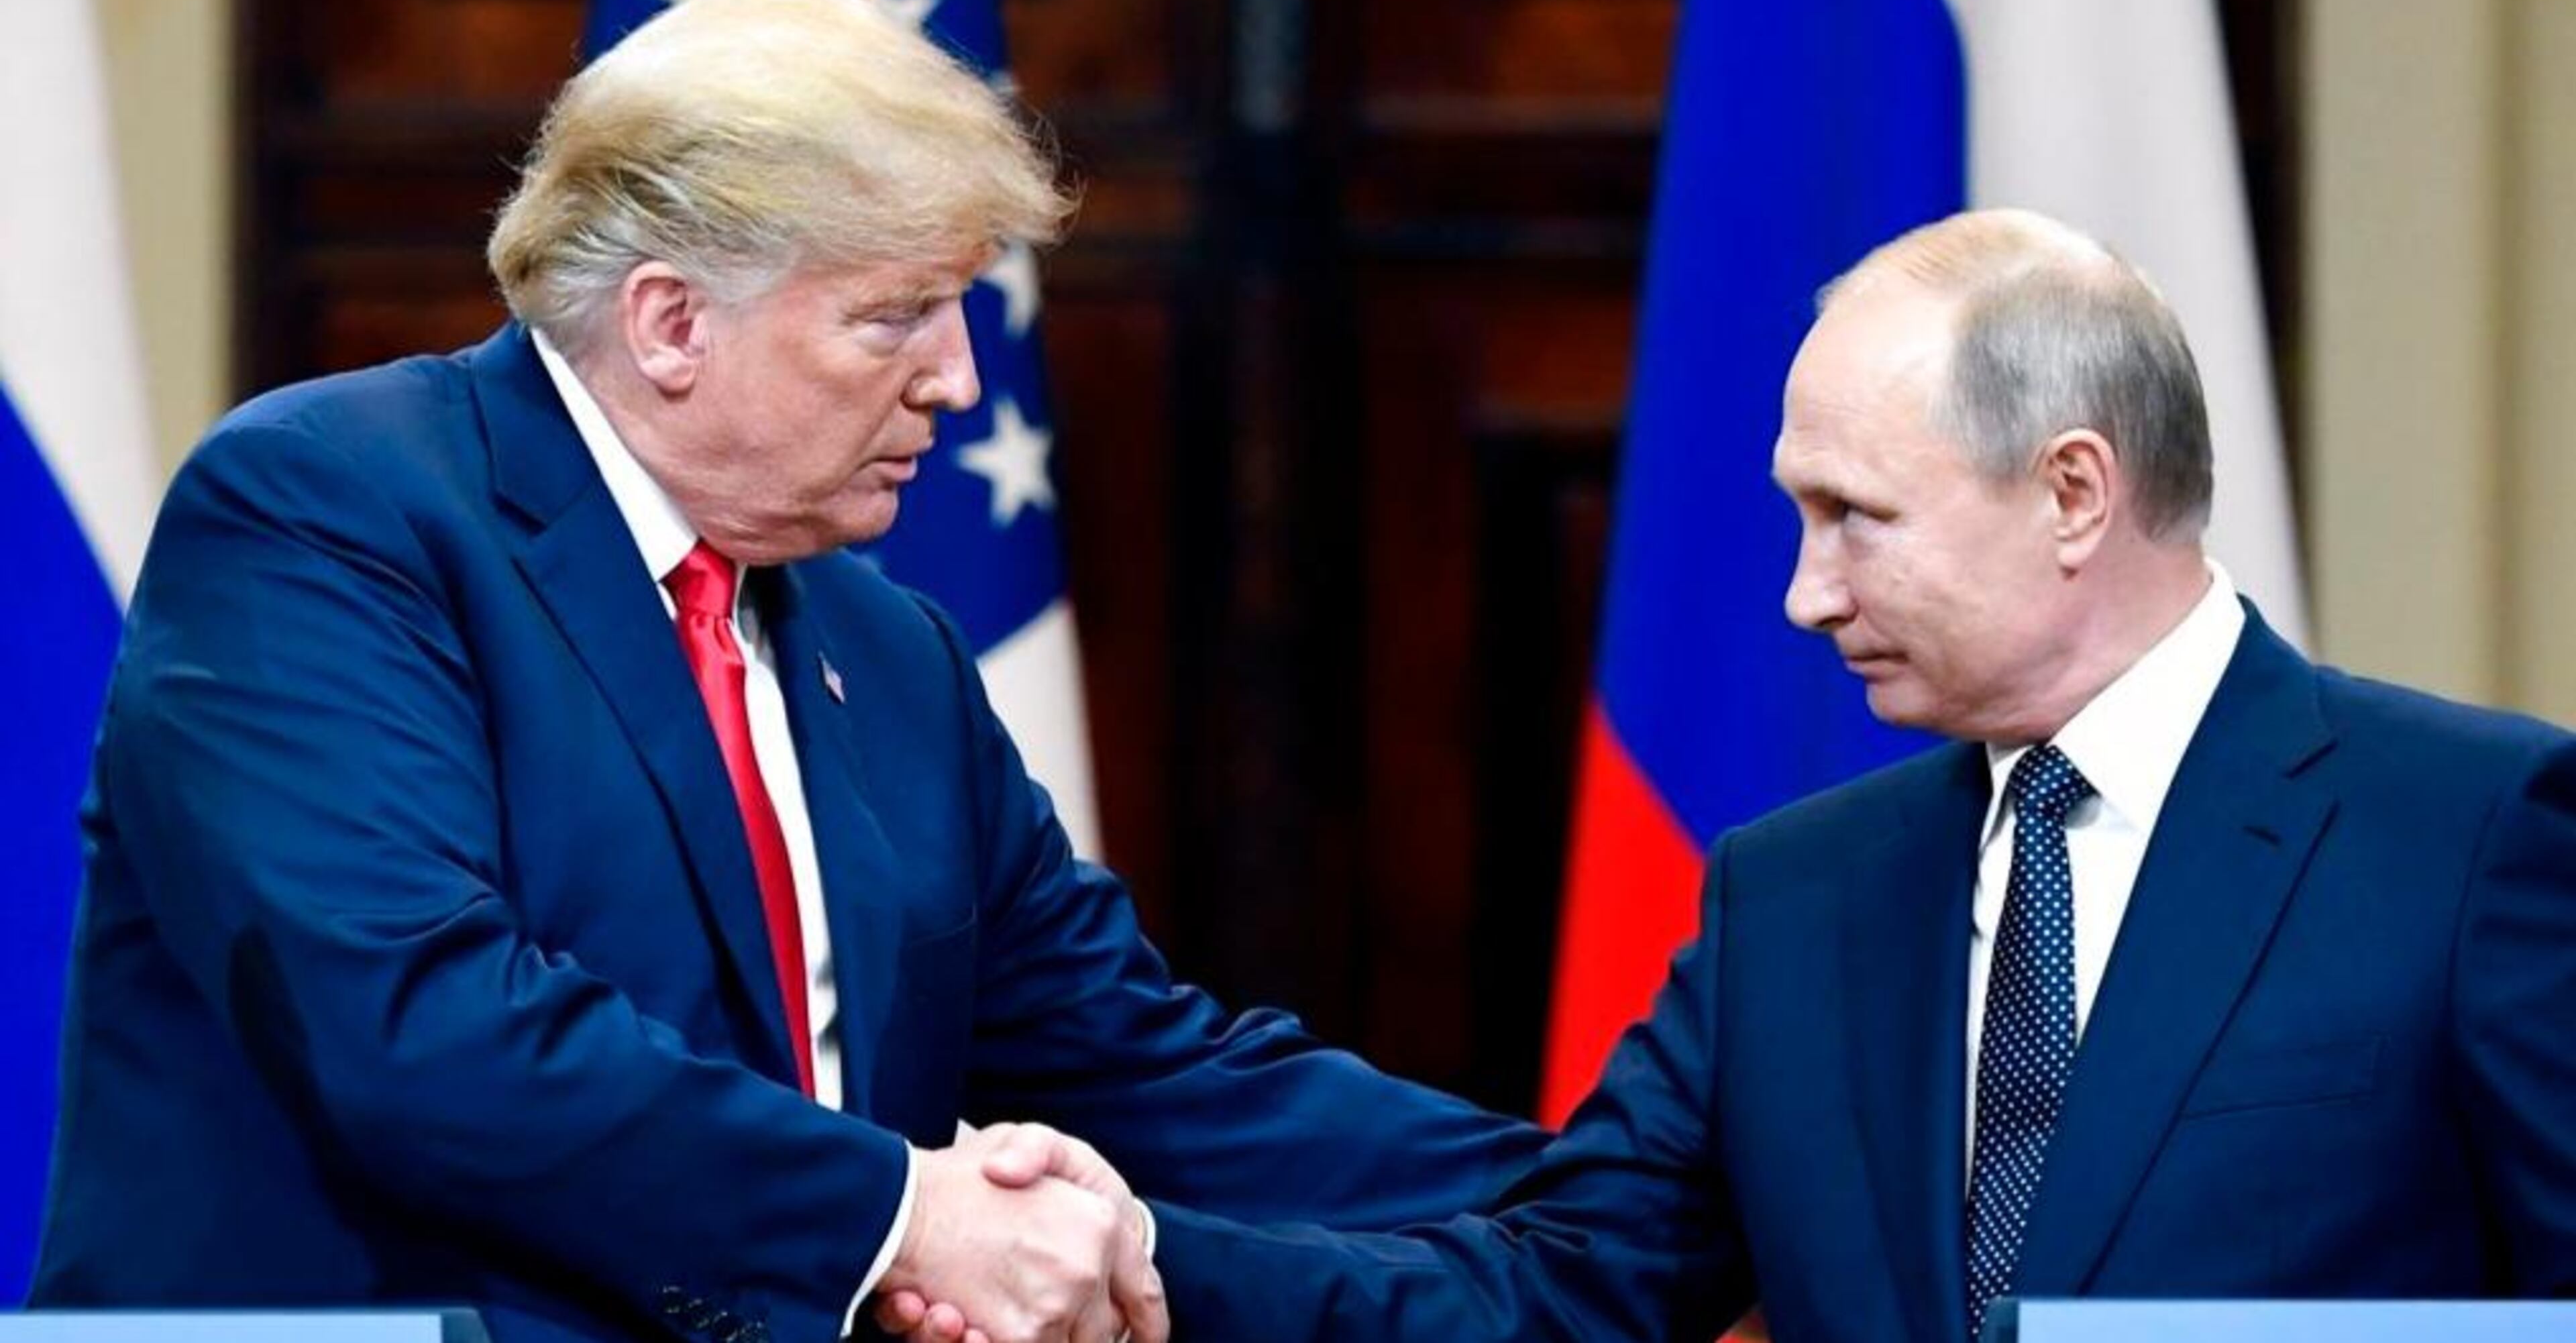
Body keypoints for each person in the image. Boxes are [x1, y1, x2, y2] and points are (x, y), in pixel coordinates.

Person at [28, 0, 1545, 1343]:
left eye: (960, 310)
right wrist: (907, 1217)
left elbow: (1145, 1068)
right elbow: (421, 1026)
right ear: (671, 322)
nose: (959, 379)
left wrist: (1611, 1197)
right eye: (898, 317)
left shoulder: (890, 655)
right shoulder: (330, 512)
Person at [967, 209, 2575, 1343]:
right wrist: (1144, 1263)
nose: (1806, 595)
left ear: (2075, 492)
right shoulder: (1797, 897)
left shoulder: (2470, 836)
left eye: (1855, 516)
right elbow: (1552, 1290)